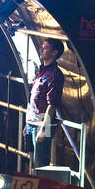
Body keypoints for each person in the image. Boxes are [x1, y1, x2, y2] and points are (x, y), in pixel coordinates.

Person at [26, 38, 64, 171]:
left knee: (40, 163)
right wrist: (28, 122)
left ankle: (39, 188)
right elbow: (32, 98)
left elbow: (52, 104)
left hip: (42, 122)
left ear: (54, 52)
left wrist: (43, 128)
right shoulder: (41, 71)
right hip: (32, 121)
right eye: (42, 47)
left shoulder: (55, 74)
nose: (41, 49)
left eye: (45, 47)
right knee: (31, 159)